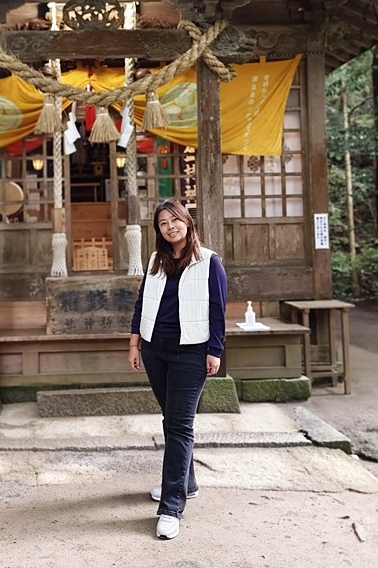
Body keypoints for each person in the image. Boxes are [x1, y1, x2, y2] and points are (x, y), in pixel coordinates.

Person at [128, 199, 227, 540]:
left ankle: (171, 507)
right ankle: (188, 483)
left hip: (192, 351)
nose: (170, 227)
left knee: (181, 425)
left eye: (175, 220)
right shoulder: (156, 260)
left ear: (188, 221)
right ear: (158, 231)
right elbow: (143, 302)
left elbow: (218, 308)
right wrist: (134, 344)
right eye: (162, 223)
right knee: (171, 420)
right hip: (156, 349)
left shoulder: (208, 261)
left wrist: (215, 350)